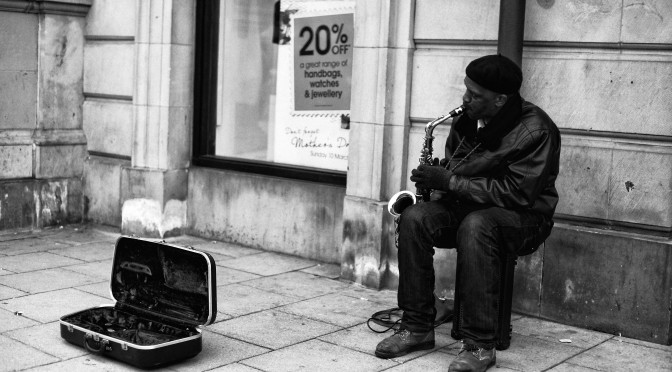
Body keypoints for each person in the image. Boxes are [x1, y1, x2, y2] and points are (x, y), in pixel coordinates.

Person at [374, 54, 560, 372]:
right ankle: (417, 326)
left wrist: (451, 180)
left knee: (478, 224)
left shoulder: (537, 130)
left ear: (501, 100)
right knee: (416, 218)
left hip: (525, 218)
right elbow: (459, 175)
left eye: (475, 95)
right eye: (466, 90)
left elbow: (517, 193)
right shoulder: (465, 121)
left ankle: (479, 346)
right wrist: (437, 177)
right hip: (471, 209)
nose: (465, 100)